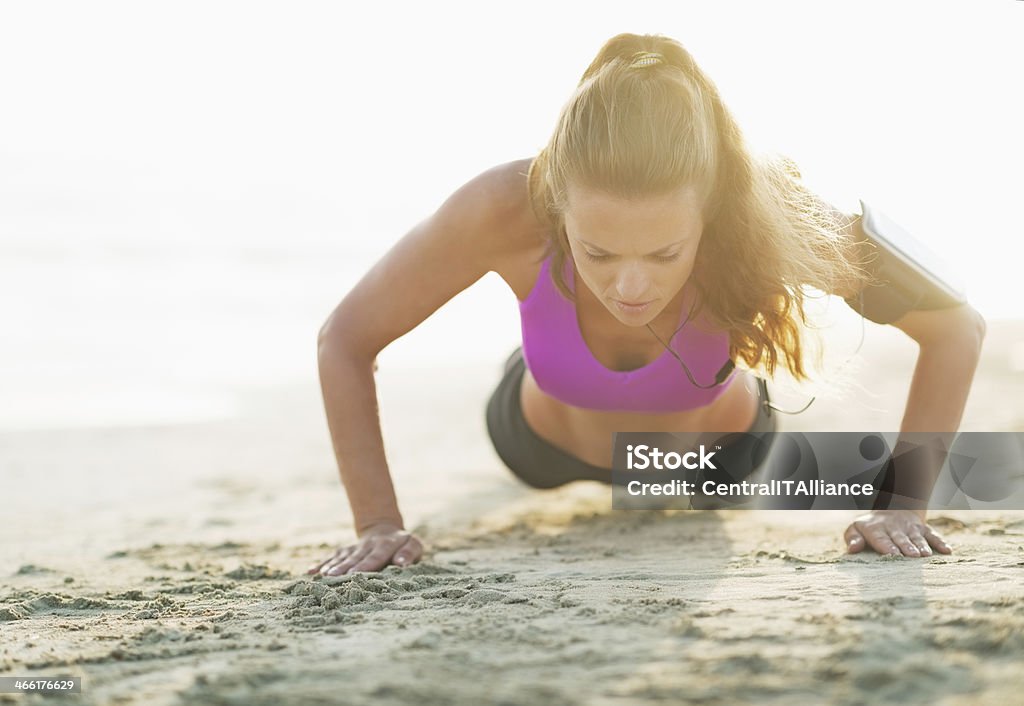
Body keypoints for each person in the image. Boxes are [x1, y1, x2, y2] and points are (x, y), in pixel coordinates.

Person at [309, 33, 985, 577]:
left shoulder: (760, 209)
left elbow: (955, 327)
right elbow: (346, 339)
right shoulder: (503, 208)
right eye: (597, 254)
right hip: (538, 448)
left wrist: (901, 505)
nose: (631, 287)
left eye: (665, 255)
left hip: (717, 460)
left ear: (711, 210)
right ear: (556, 205)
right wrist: (378, 523)